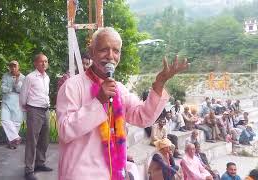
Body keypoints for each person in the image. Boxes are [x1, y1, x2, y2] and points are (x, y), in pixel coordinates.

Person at [56, 27, 188, 180]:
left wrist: (159, 85)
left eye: (116, 51)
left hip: (112, 173)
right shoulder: (73, 86)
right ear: (91, 52)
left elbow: (143, 117)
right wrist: (99, 101)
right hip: (80, 174)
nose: (110, 56)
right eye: (104, 49)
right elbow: (65, 131)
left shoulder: (119, 89)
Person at [20, 53, 52, 180]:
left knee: (44, 139)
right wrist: (27, 108)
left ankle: (40, 163)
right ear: (35, 63)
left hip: (45, 110)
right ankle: (28, 170)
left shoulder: (47, 77)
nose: (44, 63)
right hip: (34, 110)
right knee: (32, 140)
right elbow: (23, 96)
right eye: (41, 61)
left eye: (46, 61)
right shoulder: (30, 77)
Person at [1, 60, 25, 149]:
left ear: (18, 67)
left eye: (15, 66)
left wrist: (17, 80)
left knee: (16, 123)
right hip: (6, 100)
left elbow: (21, 90)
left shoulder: (23, 77)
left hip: (17, 101)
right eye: (11, 66)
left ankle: (12, 143)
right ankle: (16, 138)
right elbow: (2, 89)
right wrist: (12, 88)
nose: (13, 68)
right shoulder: (5, 75)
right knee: (4, 120)